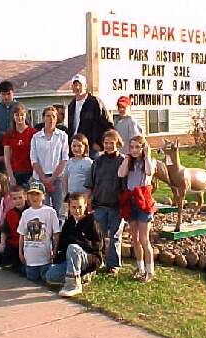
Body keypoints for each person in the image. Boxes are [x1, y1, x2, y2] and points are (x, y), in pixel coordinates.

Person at [84, 129, 126, 274]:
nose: (108, 146)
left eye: (111, 143)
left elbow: (126, 185)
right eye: (106, 143)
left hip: (116, 206)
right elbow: (91, 183)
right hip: (99, 205)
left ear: (117, 143)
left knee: (114, 236)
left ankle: (114, 264)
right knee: (98, 235)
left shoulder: (122, 161)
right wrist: (88, 200)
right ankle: (98, 261)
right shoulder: (98, 161)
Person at [45, 193, 102, 297]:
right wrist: (56, 258)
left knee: (73, 247)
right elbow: (62, 245)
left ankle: (74, 285)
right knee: (50, 276)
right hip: (70, 259)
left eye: (80, 207)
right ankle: (81, 276)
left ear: (85, 205)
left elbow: (97, 246)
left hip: (86, 258)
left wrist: (76, 242)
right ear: (69, 207)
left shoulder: (91, 221)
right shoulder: (68, 223)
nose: (77, 211)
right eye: (74, 207)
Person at [118, 136, 157, 282]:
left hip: (143, 202)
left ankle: (150, 270)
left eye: (138, 147)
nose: (134, 150)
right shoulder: (129, 162)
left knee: (144, 239)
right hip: (131, 202)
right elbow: (120, 174)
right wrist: (127, 160)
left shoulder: (148, 162)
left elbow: (148, 172)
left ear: (143, 148)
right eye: (132, 147)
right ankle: (140, 267)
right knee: (134, 238)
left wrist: (147, 155)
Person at [30, 106, 69, 220]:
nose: (51, 119)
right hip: (40, 179)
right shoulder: (36, 137)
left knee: (60, 211)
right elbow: (34, 160)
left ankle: (59, 236)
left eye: (53, 116)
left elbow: (64, 159)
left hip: (57, 178)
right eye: (48, 116)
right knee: (42, 211)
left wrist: (52, 179)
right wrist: (44, 179)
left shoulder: (62, 136)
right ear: (43, 118)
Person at [18, 182, 60, 281]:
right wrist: (20, 252)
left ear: (43, 196)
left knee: (46, 280)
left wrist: (55, 249)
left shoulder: (50, 212)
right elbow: (22, 234)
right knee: (32, 279)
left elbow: (56, 234)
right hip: (30, 258)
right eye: (31, 194)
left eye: (37, 194)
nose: (34, 197)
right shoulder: (25, 213)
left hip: (45, 257)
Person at [67, 74, 112, 159]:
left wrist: (99, 143)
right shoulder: (71, 105)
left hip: (92, 148)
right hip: (76, 147)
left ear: (85, 86)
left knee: (94, 171)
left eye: (80, 84)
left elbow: (106, 123)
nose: (77, 87)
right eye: (75, 85)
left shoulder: (95, 102)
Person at [3, 103, 37, 188]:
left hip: (30, 172)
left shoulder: (33, 133)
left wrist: (34, 175)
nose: (19, 117)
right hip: (15, 173)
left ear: (26, 115)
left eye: (22, 115)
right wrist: (11, 176)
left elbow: (38, 156)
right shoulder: (9, 134)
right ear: (13, 117)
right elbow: (7, 158)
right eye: (17, 115)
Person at [0, 185, 29, 271]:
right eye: (15, 199)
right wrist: (2, 243)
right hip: (14, 243)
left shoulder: (30, 211)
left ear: (25, 197)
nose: (18, 201)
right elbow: (4, 230)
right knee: (7, 260)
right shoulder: (10, 213)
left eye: (20, 198)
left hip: (27, 244)